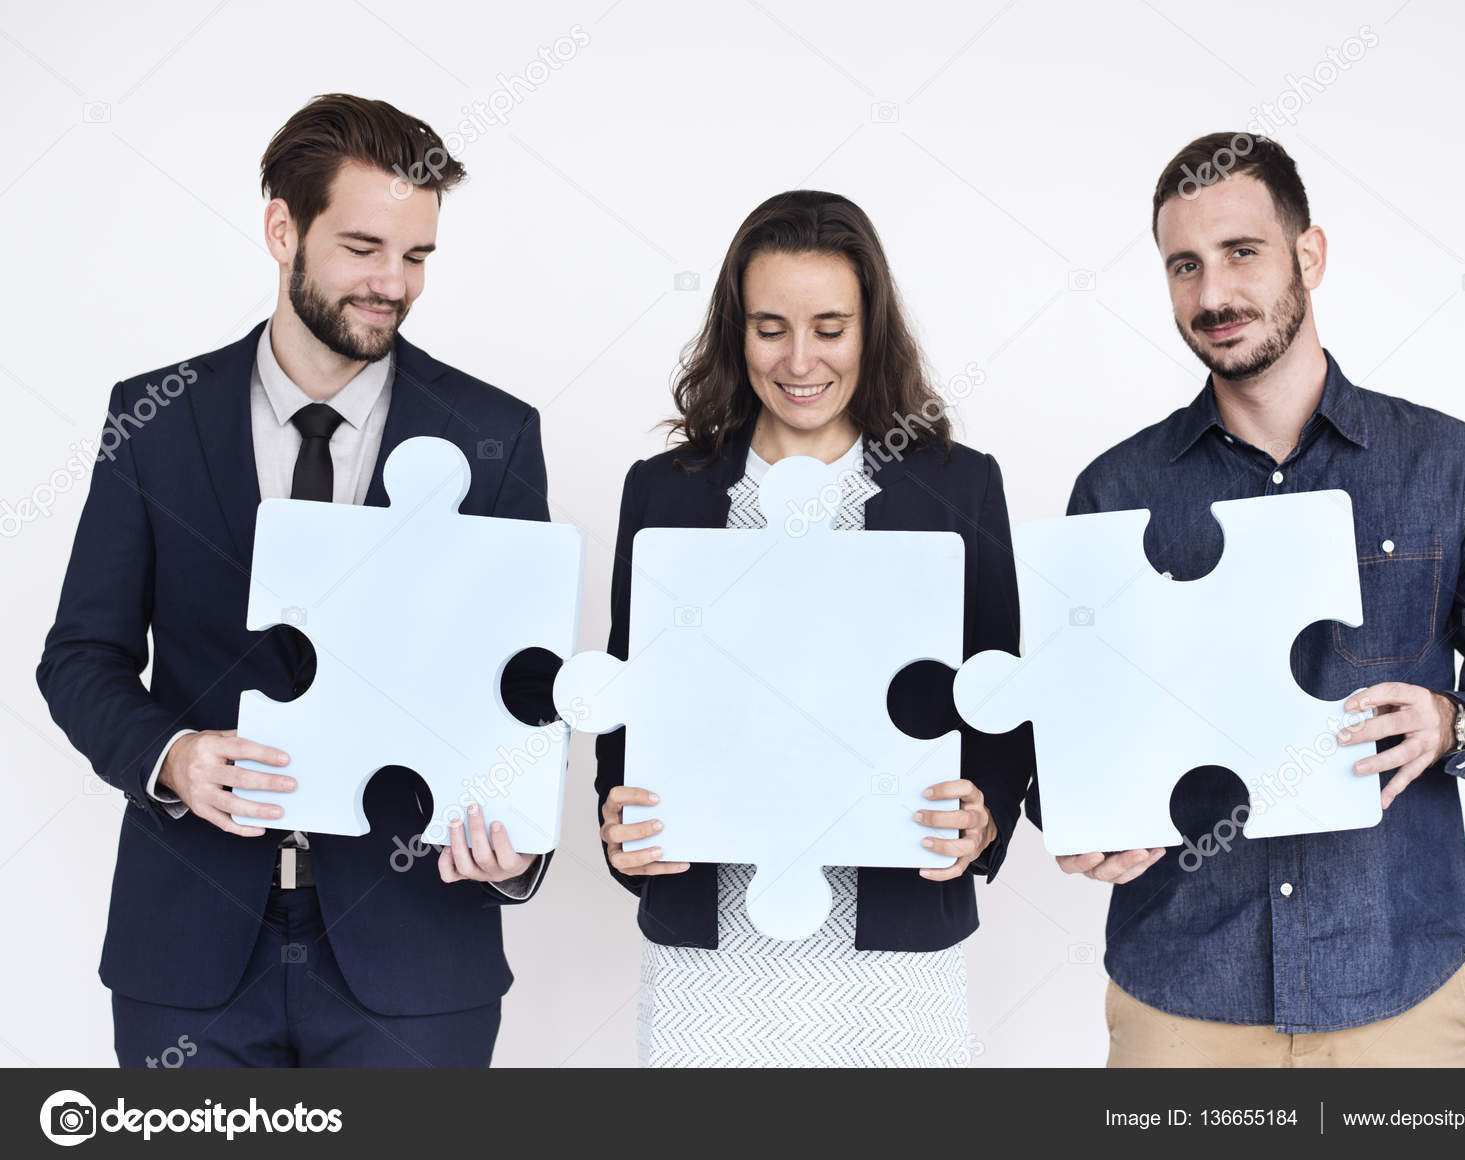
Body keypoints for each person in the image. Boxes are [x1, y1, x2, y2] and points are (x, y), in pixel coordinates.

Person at [36, 94, 554, 1068]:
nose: (392, 283)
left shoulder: (494, 434)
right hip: (188, 955)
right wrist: (173, 757)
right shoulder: (153, 419)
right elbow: (81, 658)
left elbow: (523, 686)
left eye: (417, 256)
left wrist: (518, 843)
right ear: (283, 226)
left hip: (414, 957)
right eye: (364, 246)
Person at [1051, 132, 1465, 1067]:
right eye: (1185, 265)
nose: (1213, 295)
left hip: (1397, 981)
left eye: (1241, 253)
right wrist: (1079, 824)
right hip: (1182, 991)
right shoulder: (1114, 491)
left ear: (1309, 255)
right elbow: (1067, 734)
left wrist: (1452, 721)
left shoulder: (1452, 466)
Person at [593, 190, 1032, 1067]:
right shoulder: (666, 492)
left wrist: (984, 817)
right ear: (735, 330)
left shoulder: (957, 489)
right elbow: (623, 701)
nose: (800, 359)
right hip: (709, 952)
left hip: (893, 950)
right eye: (770, 327)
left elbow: (1001, 698)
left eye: (830, 327)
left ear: (871, 331)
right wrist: (619, 823)